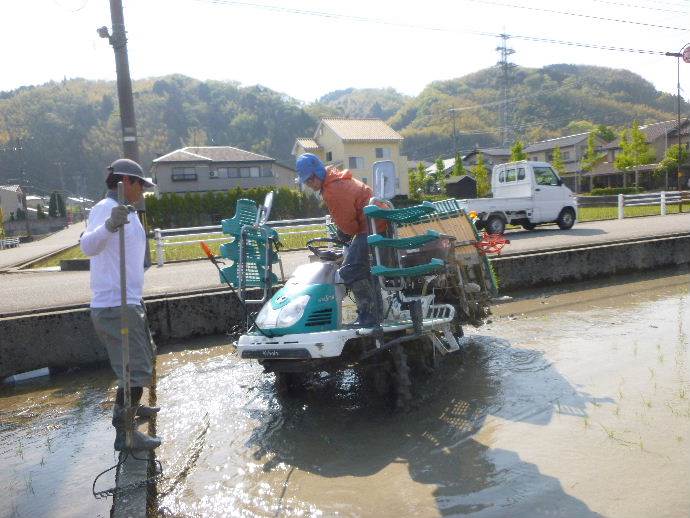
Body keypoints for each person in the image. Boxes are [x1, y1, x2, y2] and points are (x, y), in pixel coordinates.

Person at [80, 158, 162, 451]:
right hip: (115, 306)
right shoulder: (106, 209)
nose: (142, 190)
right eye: (140, 183)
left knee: (142, 358)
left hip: (128, 302)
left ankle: (134, 410)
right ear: (125, 181)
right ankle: (125, 434)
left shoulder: (129, 210)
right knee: (134, 370)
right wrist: (110, 225)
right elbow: (88, 245)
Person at [296, 153, 378, 327]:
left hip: (371, 227)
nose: (310, 184)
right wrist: (343, 236)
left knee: (350, 269)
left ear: (318, 172)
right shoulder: (335, 179)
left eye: (311, 179)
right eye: (306, 182)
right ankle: (374, 309)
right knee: (359, 265)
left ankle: (369, 315)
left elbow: (350, 227)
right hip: (374, 223)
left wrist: (342, 235)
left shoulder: (332, 191)